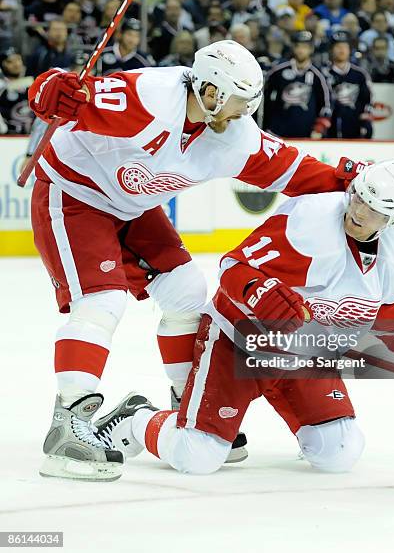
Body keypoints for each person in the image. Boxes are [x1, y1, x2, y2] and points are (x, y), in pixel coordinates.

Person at [27, 39, 364, 481]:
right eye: (239, 102)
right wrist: (49, 87)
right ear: (211, 92)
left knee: (187, 291)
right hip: (72, 194)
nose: (244, 113)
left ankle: (192, 408)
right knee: (102, 301)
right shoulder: (146, 96)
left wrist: (358, 183)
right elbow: (64, 95)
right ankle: (67, 425)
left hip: (131, 207)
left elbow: (294, 170)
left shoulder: (233, 135)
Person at [95, 161, 394, 475]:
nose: (358, 211)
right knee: (198, 456)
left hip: (304, 357)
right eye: (359, 197)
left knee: (339, 452)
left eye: (374, 210)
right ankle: (136, 419)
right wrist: (260, 293)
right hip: (239, 341)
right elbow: (232, 267)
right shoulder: (310, 220)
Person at [263, 31, 332, 139]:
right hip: (278, 133)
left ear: (311, 49)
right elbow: (264, 97)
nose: (301, 50)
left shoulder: (319, 75)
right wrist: (266, 125)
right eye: (297, 46)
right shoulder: (278, 70)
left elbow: (327, 102)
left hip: (307, 134)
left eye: (305, 47)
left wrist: (320, 126)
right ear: (293, 48)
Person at [324, 31, 373, 139]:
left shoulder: (360, 74)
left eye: (345, 47)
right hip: (330, 127)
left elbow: (367, 99)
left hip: (354, 125)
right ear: (331, 50)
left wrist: (365, 120)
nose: (341, 50)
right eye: (338, 46)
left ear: (350, 50)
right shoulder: (323, 74)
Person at [0, 48, 34, 135]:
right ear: (3, 65)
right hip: (9, 138)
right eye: (10, 61)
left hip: (32, 136)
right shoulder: (1, 87)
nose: (16, 64)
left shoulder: (32, 83)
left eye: (18, 59)